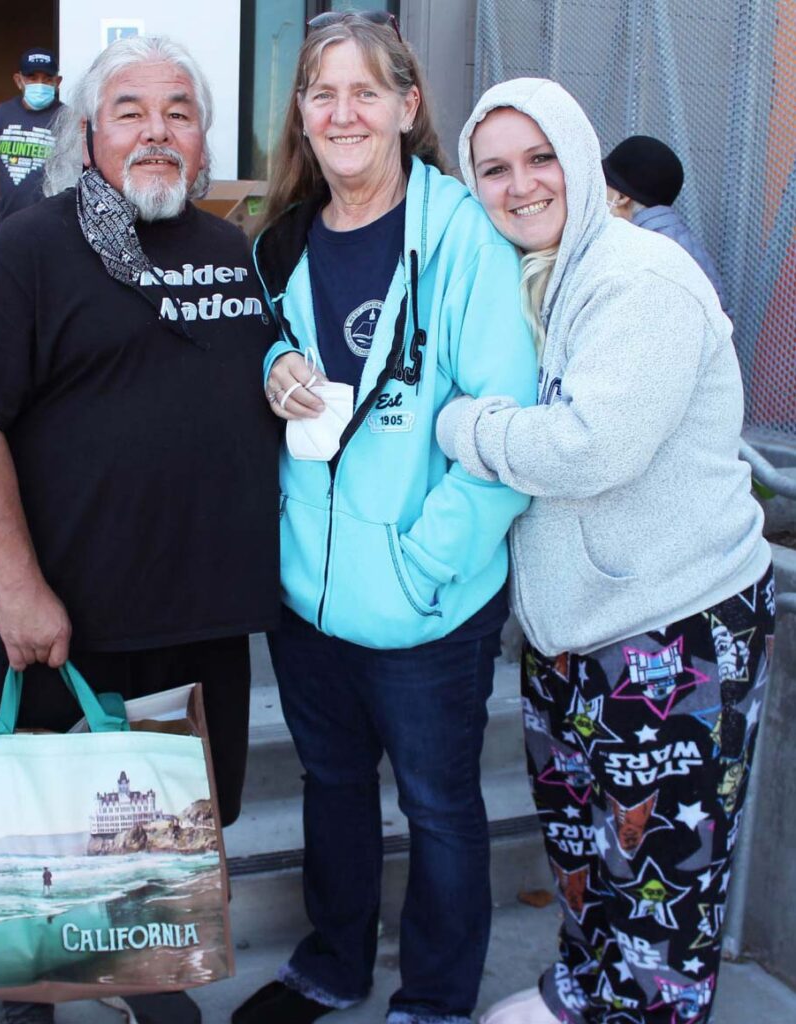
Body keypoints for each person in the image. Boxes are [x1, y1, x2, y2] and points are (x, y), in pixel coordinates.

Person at [0, 35, 280, 1024]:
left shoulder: (228, 251)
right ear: (87, 134)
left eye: (179, 110)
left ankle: (144, 975)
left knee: (172, 821)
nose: (156, 130)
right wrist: (16, 583)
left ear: (203, 138)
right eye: (130, 110)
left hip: (201, 606)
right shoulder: (27, 251)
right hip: (70, 610)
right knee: (41, 824)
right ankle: (25, 995)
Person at [438, 78, 774, 1024]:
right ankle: (589, 993)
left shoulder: (640, 276)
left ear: (582, 160)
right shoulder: (535, 275)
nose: (520, 185)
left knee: (663, 879)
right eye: (493, 168)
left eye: (540, 157)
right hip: (574, 627)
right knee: (587, 853)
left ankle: (644, 1010)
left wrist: (465, 423)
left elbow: (593, 447)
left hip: (674, 625)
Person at [232, 12, 536, 1024]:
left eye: (367, 89)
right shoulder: (278, 242)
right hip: (308, 593)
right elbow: (257, 358)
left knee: (440, 807)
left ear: (408, 107)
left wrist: (422, 565)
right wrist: (267, 363)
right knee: (329, 784)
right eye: (322, 91)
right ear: (302, 117)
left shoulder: (464, 242)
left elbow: (506, 432)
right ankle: (330, 964)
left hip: (427, 599)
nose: (342, 110)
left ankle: (437, 996)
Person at [602, 134, 730, 316]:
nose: (597, 193)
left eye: (602, 185)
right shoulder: (669, 235)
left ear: (622, 198)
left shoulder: (648, 251)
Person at [0, 47, 63, 220]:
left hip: (52, 222)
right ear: (19, 80)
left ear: (57, 82)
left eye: (47, 79)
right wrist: (1, 201)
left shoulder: (67, 118)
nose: (39, 84)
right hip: (9, 220)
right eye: (32, 78)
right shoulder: (1, 114)